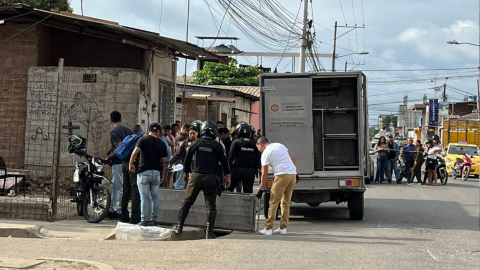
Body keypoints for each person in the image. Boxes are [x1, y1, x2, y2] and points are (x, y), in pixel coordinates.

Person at [174, 121, 231, 239]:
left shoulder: (196, 143)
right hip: (211, 178)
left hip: (195, 176)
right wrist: (228, 176)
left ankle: (179, 226)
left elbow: (187, 158)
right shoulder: (217, 146)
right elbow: (224, 162)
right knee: (210, 206)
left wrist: (185, 172)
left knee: (187, 202)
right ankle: (209, 233)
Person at [256, 137, 297, 236]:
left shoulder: (265, 153)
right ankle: (283, 227)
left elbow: (264, 174)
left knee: (273, 202)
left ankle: (268, 228)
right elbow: (293, 159)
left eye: (257, 147)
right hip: (292, 175)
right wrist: (295, 172)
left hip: (281, 176)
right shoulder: (280, 145)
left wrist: (261, 189)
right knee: (286, 202)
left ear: (260, 145)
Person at [129, 123, 168, 226]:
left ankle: (144, 220)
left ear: (148, 130)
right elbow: (165, 162)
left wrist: (131, 163)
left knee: (144, 197)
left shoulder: (143, 140)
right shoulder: (162, 143)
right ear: (159, 131)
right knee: (155, 197)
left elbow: (135, 153)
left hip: (143, 172)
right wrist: (163, 174)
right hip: (156, 173)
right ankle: (154, 219)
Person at [105, 111, 133, 220]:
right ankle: (113, 209)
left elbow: (119, 147)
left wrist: (110, 157)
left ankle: (121, 210)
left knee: (120, 186)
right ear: (120, 119)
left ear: (110, 119)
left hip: (118, 161)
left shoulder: (114, 132)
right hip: (127, 161)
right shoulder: (128, 130)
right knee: (116, 185)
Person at [118, 124, 143, 224]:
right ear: (140, 130)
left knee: (126, 190)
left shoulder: (128, 138)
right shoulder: (139, 139)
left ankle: (124, 215)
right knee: (135, 191)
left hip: (124, 163)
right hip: (132, 165)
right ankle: (135, 216)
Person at [227, 122, 261, 194]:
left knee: (229, 189)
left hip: (237, 170)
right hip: (250, 171)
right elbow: (258, 157)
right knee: (248, 192)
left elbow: (230, 157)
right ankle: (248, 205)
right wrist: (257, 168)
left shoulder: (236, 142)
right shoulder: (254, 143)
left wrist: (228, 171)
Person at [170, 125, 198, 189]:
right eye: (190, 133)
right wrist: (171, 163)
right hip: (185, 166)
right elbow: (178, 153)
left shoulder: (199, 143)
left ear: (197, 133)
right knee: (181, 185)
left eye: (194, 133)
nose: (192, 135)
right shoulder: (185, 142)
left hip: (195, 168)